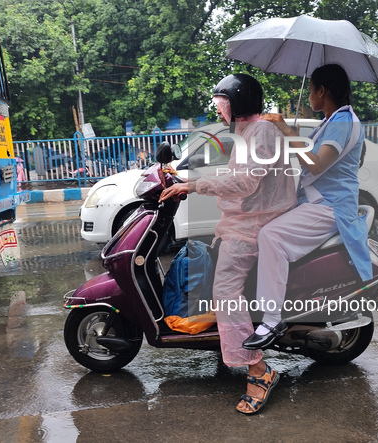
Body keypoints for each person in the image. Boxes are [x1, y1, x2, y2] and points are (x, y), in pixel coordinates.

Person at [159, 74, 297, 414]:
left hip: (255, 224)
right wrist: (189, 177)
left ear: (238, 102)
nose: (220, 111)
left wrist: (192, 187)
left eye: (223, 104)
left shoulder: (262, 131)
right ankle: (232, 344)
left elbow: (247, 181)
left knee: (224, 290)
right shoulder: (250, 131)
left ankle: (259, 371)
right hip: (244, 221)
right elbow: (236, 172)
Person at [242, 63, 374, 350]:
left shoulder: (342, 122)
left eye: (312, 89)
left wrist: (284, 128)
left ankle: (271, 318)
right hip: (318, 201)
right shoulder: (333, 120)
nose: (311, 95)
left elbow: (316, 163)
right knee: (262, 227)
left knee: (271, 236)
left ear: (322, 90)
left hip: (330, 207)